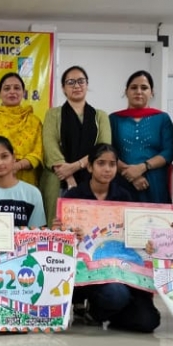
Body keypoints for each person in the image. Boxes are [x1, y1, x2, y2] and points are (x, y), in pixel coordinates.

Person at [60, 144, 161, 333]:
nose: (107, 169)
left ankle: (102, 313)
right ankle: (95, 309)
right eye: (101, 163)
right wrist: (64, 231)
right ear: (90, 167)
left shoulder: (125, 197)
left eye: (112, 164)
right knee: (116, 294)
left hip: (120, 271)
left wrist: (150, 241)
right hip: (86, 272)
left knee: (149, 321)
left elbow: (136, 239)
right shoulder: (74, 196)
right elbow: (61, 238)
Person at [41, 66, 111, 226]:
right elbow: (50, 147)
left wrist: (75, 166)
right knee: (57, 226)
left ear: (87, 84)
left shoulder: (100, 116)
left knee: (90, 228)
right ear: (63, 88)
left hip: (92, 177)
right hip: (58, 178)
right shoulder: (53, 114)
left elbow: (103, 149)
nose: (76, 86)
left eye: (81, 81)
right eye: (71, 82)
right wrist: (69, 177)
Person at [110, 70, 173, 204]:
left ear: (152, 92)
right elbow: (108, 151)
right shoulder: (114, 119)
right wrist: (131, 174)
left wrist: (142, 167)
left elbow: (169, 152)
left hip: (154, 182)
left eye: (144, 88)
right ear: (126, 92)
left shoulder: (162, 118)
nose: (138, 91)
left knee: (154, 217)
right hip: (122, 181)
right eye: (133, 87)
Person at [0, 73, 42, 187]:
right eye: (7, 88)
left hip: (26, 182)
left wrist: (18, 166)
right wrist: (4, 165)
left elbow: (37, 153)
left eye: (17, 88)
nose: (12, 92)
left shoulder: (34, 121)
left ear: (23, 93)